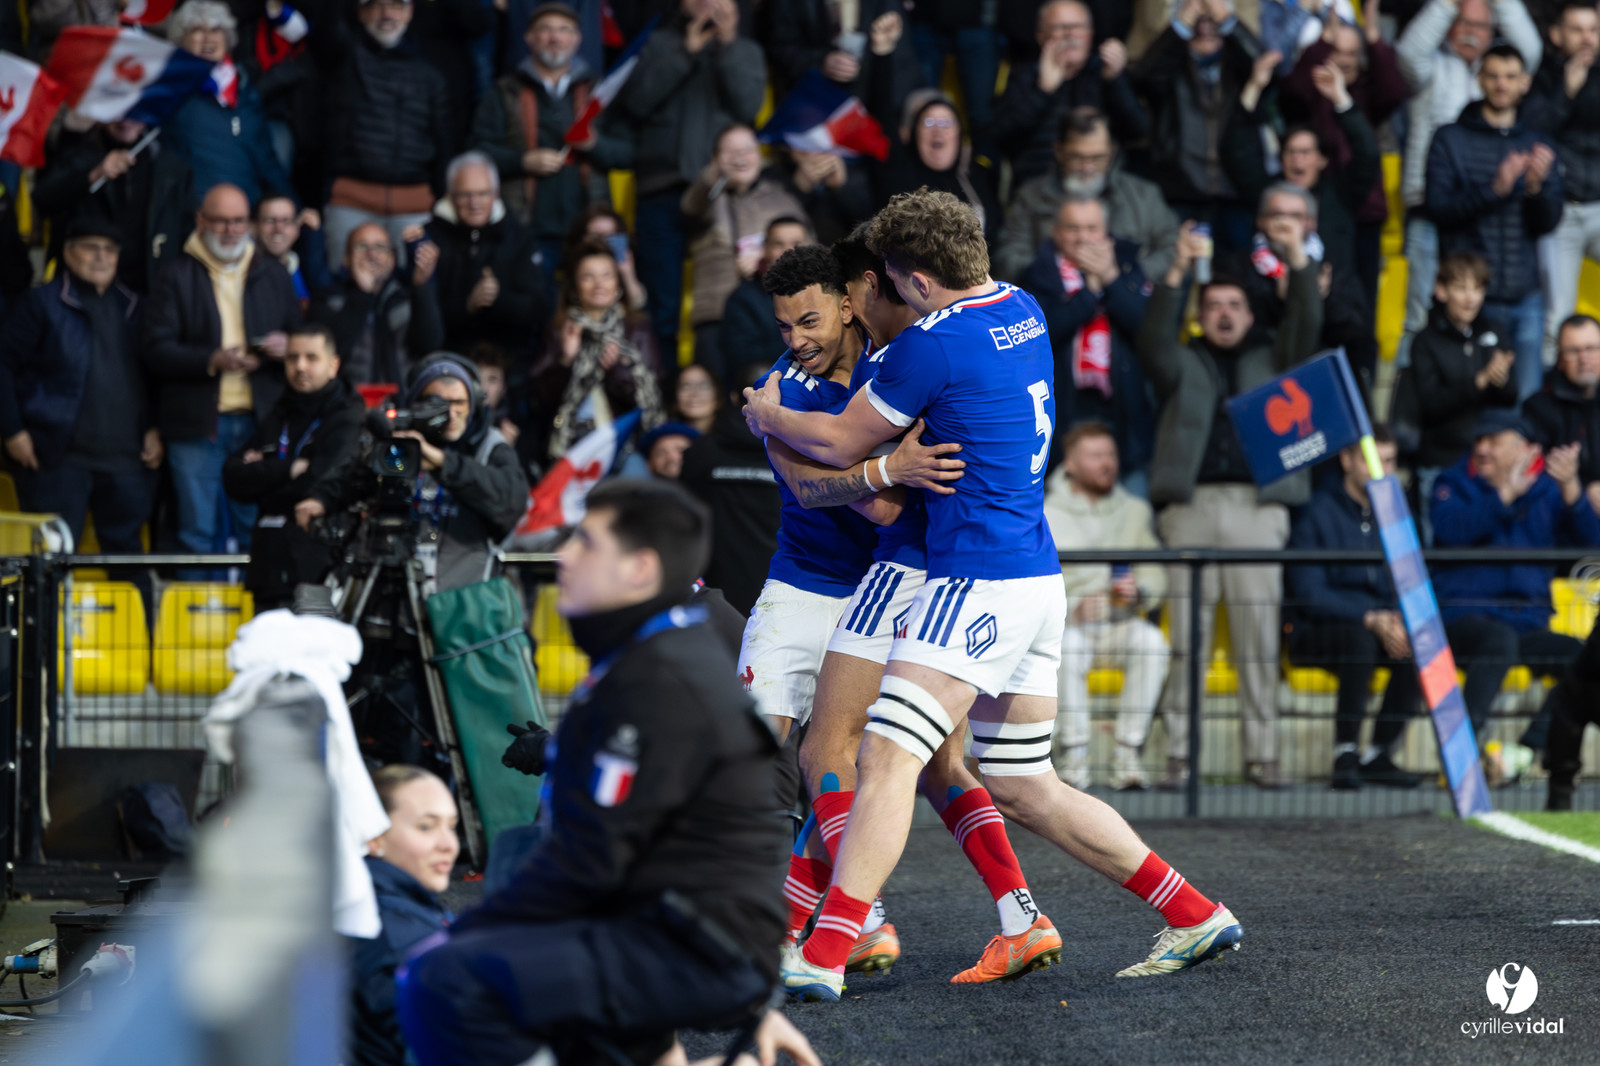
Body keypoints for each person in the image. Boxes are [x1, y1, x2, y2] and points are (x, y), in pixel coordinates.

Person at [747, 190, 1241, 1002]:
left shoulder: (924, 348)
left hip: (966, 576)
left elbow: (836, 444)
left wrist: (768, 415)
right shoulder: (1023, 304)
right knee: (1018, 780)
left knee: (881, 757)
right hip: (1032, 574)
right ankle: (1189, 910)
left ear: (901, 281)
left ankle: (825, 948)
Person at [394, 479, 807, 1066]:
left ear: (640, 569)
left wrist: (460, 933)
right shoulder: (651, 652)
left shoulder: (663, 672)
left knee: (442, 982)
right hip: (674, 921)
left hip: (700, 943)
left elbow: (592, 861)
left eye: (586, 544)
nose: (563, 556)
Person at [772, 230, 1058, 987]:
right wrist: (878, 465)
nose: (799, 338)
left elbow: (871, 500)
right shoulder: (969, 325)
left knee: (831, 752)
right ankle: (1019, 913)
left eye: (812, 319)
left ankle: (847, 924)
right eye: (785, 326)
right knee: (935, 764)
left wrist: (772, 422)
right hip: (941, 571)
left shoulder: (896, 356)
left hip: (907, 573)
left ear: (855, 296)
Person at [1136, 220, 1323, 791]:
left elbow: (1308, 321)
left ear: (1249, 312)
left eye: (1234, 305)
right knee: (1185, 641)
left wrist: (1296, 258)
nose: (1223, 313)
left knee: (1259, 641)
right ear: (1200, 310)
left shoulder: (1275, 356)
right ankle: (1179, 760)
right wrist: (1174, 273)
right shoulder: (1182, 360)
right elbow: (1150, 343)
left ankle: (1263, 756)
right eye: (1213, 304)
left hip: (1256, 508)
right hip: (1189, 509)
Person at [1431, 411, 1600, 760]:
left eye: (1494, 441)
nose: (1483, 449)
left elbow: (1591, 545)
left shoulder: (1548, 491)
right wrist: (1505, 494)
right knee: (1498, 642)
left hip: (1524, 622)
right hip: (1464, 618)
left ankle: (1525, 752)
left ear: (1526, 449)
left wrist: (1571, 490)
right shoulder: (1451, 483)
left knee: (1587, 658)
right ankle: (1460, 756)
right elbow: (1451, 532)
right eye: (1479, 440)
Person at [143, 183, 301, 555]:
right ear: (200, 220)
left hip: (258, 421)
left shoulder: (273, 274)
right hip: (197, 423)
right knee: (197, 533)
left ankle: (256, 614)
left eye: (239, 221)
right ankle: (199, 615)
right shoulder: (174, 274)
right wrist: (211, 360)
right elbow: (154, 350)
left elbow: (301, 337)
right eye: (220, 221)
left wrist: (288, 346)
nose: (231, 230)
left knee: (258, 532)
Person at [298, 354, 529, 595]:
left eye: (458, 403)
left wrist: (442, 463)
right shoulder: (401, 443)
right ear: (416, 404)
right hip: (393, 594)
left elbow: (511, 501)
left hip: (462, 607)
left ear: (473, 404)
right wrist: (322, 498)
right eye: (437, 404)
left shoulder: (490, 446)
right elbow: (357, 474)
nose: (450, 414)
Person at [0, 219, 161, 552]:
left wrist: (155, 426)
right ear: (68, 253)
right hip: (57, 457)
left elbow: (156, 373)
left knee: (128, 561)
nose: (101, 257)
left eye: (109, 249)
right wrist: (13, 431)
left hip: (126, 460)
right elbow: (2, 366)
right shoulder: (40, 303)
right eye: (91, 248)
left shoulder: (136, 307)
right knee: (50, 561)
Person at [1396, 0, 1542, 369]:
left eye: (1479, 25)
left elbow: (1531, 51)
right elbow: (1409, 51)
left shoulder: (1496, 74)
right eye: (1461, 22)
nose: (1468, 31)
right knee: (1420, 317)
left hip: (1483, 217)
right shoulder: (1429, 68)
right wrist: (1447, 4)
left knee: (1470, 322)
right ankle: (1403, 414)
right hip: (1430, 210)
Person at [618, 0, 766, 360]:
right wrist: (685, 51)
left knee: (723, 301)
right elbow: (634, 102)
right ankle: (663, 392)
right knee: (661, 306)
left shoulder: (745, 48)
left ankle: (721, 392)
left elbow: (749, 107)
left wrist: (728, 43)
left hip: (721, 194)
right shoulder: (657, 42)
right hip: (660, 189)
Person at [1284, 430, 1428, 790]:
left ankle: (1379, 753)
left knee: (1416, 641)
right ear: (1346, 461)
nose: (1381, 470)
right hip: (1314, 631)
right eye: (1370, 459)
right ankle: (1345, 752)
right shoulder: (1316, 511)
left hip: (1376, 625)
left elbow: (1412, 580)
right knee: (1359, 641)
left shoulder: (1397, 515)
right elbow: (1308, 592)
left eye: (1390, 461)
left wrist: (1396, 619)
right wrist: (1370, 617)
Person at [1425, 43, 1564, 401]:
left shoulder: (1538, 143)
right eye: (1494, 76)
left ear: (1525, 83)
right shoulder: (1449, 139)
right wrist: (1495, 189)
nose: (1502, 85)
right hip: (1471, 298)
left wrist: (1535, 189)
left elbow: (1547, 223)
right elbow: (1438, 210)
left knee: (1528, 401)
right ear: (1480, 80)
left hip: (1525, 296)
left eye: (1510, 77)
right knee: (1473, 402)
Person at [1043, 423, 1169, 790]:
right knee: (1066, 646)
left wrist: (1141, 590)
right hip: (1070, 625)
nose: (1107, 463)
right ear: (1070, 463)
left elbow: (1156, 573)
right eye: (1096, 455)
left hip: (1120, 620)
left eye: (1111, 455)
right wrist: (1069, 607)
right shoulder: (1045, 510)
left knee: (1152, 643)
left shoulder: (1134, 509)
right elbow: (1030, 580)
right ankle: (1074, 756)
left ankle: (1127, 755)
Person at [469, 2, 632, 270]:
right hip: (526, 226)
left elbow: (629, 153)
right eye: (545, 30)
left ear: (577, 39)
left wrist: (594, 144)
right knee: (534, 309)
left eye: (564, 30)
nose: (555, 38)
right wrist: (523, 160)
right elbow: (478, 151)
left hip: (590, 228)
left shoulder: (601, 92)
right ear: (528, 38)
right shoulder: (505, 90)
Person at [222, 323, 364, 609]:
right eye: (292, 357)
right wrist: (287, 469)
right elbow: (233, 477)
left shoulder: (348, 416)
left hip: (318, 569)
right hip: (268, 566)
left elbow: (318, 482)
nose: (300, 366)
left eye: (312, 358)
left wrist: (266, 477)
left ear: (333, 365)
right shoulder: (281, 409)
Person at [1022, 195, 1157, 492]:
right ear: (1056, 233)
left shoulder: (1129, 269)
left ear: (1106, 232)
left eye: (1091, 228)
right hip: (1061, 409)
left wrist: (1110, 279)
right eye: (1072, 228)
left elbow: (1149, 333)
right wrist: (1089, 293)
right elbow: (1039, 334)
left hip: (1122, 411)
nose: (1083, 237)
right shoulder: (1035, 277)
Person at [1280, 1, 1409, 308]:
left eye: (1353, 53)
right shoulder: (1310, 92)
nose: (1346, 61)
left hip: (1365, 209)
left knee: (1361, 299)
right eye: (1338, 52)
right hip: (1321, 209)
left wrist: (1375, 38)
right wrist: (1323, 41)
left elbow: (1394, 90)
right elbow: (1292, 91)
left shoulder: (1367, 92)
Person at [312, 0, 452, 265]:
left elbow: (443, 142)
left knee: (412, 296)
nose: (387, 14)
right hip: (351, 202)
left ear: (410, 12)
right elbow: (328, 29)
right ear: (361, 12)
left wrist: (439, 199)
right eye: (376, 5)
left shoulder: (431, 75)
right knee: (343, 293)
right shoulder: (344, 59)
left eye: (397, 5)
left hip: (415, 207)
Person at [1129, 0, 1263, 249]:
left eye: (1214, 26)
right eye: (1197, 27)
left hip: (1233, 188)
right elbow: (1144, 76)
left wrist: (1226, 18)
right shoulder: (1172, 71)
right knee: (1178, 270)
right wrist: (1183, 20)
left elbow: (1260, 62)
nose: (1206, 30)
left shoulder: (1239, 71)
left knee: (1234, 272)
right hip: (1180, 188)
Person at [995, 107, 1178, 285]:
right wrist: (1057, 275)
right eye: (1078, 157)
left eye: (1098, 158)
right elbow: (1007, 257)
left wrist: (1128, 276)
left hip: (1128, 307)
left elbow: (1172, 247)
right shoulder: (1031, 197)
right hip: (1053, 306)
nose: (1087, 168)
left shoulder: (1144, 195)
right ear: (1059, 151)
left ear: (1112, 151)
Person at [349, 765, 458, 1066]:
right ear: (374, 837)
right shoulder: (404, 942)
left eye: (451, 826)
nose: (449, 845)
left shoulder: (361, 905)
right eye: (426, 827)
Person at [525, 239, 664, 470]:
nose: (599, 284)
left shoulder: (637, 328)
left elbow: (654, 391)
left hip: (623, 442)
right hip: (571, 443)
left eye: (607, 275)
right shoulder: (560, 329)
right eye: (588, 276)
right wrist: (566, 359)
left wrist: (616, 372)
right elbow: (541, 398)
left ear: (618, 284)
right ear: (575, 287)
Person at [1408, 251, 1519, 541]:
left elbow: (1510, 398)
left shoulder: (1494, 331)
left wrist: (1502, 380)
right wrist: (1479, 381)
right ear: (1441, 291)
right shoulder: (1425, 341)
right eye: (1461, 287)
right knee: (1442, 547)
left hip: (1491, 466)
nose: (1471, 298)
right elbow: (1430, 405)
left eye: (1477, 288)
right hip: (1441, 464)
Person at [680, 125, 811, 366]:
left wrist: (766, 258)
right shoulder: (706, 198)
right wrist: (713, 177)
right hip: (714, 315)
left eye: (748, 149)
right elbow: (689, 208)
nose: (741, 157)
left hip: (769, 317)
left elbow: (809, 251)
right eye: (731, 151)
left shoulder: (782, 199)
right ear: (715, 159)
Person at [30, 118, 194, 297]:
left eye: (135, 113)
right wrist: (93, 175)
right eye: (119, 112)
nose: (126, 121)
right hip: (86, 291)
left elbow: (187, 231)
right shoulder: (76, 153)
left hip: (150, 290)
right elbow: (43, 200)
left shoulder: (169, 165)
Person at [993, 1, 1148, 187]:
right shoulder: (1024, 76)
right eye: (1060, 27)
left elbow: (1138, 130)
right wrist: (1043, 91)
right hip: (1039, 189)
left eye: (1078, 27)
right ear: (1041, 37)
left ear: (1091, 34)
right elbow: (1000, 134)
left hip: (1103, 188)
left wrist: (1114, 82)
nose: (1071, 34)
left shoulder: (1105, 72)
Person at [162, 0, 297, 211]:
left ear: (228, 39)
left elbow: (266, 161)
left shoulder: (244, 89)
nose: (208, 38)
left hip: (246, 213)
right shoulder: (167, 89)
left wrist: (295, 208)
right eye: (197, 30)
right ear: (180, 39)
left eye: (216, 29)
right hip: (193, 213)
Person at [415, 152, 548, 363]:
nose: (474, 203)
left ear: (495, 194)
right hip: (447, 360)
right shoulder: (428, 240)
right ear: (450, 195)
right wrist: (467, 305)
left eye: (482, 194)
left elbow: (537, 310)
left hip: (508, 364)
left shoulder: (520, 238)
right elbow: (419, 323)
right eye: (465, 195)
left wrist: (498, 299)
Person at [1526, 0, 1600, 365]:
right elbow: (1532, 133)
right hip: (1563, 212)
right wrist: (1566, 92)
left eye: (1593, 29)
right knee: (1557, 319)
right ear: (1556, 35)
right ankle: (1550, 409)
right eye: (1577, 30)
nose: (1587, 38)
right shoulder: (1542, 76)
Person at [680, 361, 781, 616]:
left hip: (715, 597)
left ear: (734, 397)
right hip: (780, 591)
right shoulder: (794, 455)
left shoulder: (700, 453)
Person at [309, 224, 444, 387]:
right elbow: (328, 355)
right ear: (346, 258)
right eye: (362, 246)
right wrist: (362, 295)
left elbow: (429, 346)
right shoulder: (327, 299)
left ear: (393, 258)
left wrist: (421, 288)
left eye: (379, 247)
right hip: (345, 406)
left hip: (405, 405)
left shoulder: (407, 297)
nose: (371, 254)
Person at [870, 91, 1001, 248]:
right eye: (929, 122)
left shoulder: (977, 179)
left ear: (959, 134)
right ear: (914, 134)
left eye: (947, 123)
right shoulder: (896, 181)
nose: (938, 130)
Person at [763, 0, 920, 105]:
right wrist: (821, 62)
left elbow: (902, 58)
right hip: (813, 107)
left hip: (872, 104)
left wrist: (900, 116)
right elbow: (779, 48)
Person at [717, 217, 811, 386]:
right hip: (773, 385)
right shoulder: (742, 298)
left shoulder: (825, 291)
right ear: (765, 249)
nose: (789, 251)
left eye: (797, 243)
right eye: (779, 244)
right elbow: (742, 356)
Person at [1524, 314, 1600, 511]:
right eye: (1574, 351)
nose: (1584, 359)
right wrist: (1583, 492)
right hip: (1562, 519)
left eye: (1591, 348)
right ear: (1560, 358)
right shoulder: (1538, 408)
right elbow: (1534, 478)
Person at [255, 195, 333, 310]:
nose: (278, 229)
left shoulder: (301, 264)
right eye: (269, 220)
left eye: (286, 221)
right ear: (254, 227)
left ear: (296, 229)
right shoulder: (246, 270)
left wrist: (314, 237)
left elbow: (325, 292)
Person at [672, 362, 722, 437]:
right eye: (686, 387)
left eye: (703, 386)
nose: (694, 394)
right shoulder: (666, 441)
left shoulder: (732, 438)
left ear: (718, 396)